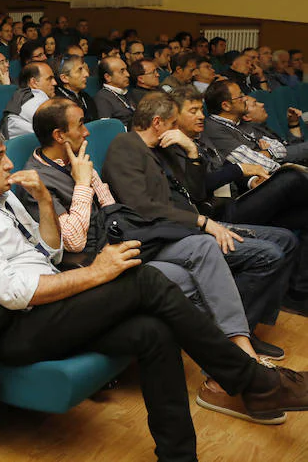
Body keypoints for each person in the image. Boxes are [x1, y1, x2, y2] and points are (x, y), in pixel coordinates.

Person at [0, 121, 308, 462]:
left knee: (153, 332)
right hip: (16, 329)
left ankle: (179, 455)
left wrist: (45, 200)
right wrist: (98, 273)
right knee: (144, 279)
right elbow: (16, 294)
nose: (10, 165)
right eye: (0, 159)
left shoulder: (1, 195)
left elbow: (51, 251)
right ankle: (254, 382)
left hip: (48, 306)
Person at [20, 100, 274, 398]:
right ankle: (233, 369)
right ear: (59, 135)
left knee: (203, 248)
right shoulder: (37, 181)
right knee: (188, 280)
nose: (87, 132)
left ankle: (241, 352)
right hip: (94, 263)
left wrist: (95, 191)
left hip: (122, 241)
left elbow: (110, 204)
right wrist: (82, 183)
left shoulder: (76, 157)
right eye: (79, 125)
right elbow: (72, 241)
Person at [102, 92, 296, 350]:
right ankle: (234, 339)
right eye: (173, 123)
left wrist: (192, 150)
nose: (177, 129)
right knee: (268, 254)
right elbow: (143, 207)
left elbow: (196, 192)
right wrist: (203, 223)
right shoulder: (125, 147)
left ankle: (248, 323)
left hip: (193, 223)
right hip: (171, 233)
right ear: (157, 122)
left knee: (287, 240)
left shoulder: (166, 147)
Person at [1, 62, 56, 139]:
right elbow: (56, 125)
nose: (54, 83)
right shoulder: (33, 99)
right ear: (34, 82)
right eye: (49, 79)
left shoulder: (25, 96)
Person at [93, 56, 135, 128]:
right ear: (108, 77)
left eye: (126, 70)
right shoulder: (102, 98)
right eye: (122, 71)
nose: (127, 74)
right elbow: (107, 128)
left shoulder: (126, 92)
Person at [53, 54, 95, 122]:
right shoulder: (58, 104)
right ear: (64, 78)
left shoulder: (86, 97)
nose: (87, 74)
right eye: (80, 70)